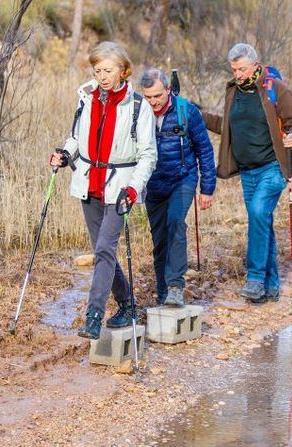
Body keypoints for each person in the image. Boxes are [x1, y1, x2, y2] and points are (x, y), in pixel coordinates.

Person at [50, 41, 156, 340]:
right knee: (102, 252)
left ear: (124, 71)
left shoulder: (138, 106)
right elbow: (75, 138)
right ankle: (127, 304)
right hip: (89, 183)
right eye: (97, 71)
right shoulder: (86, 100)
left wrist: (134, 189)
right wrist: (65, 154)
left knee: (104, 251)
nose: (102, 76)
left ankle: (94, 316)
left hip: (121, 189)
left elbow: (148, 155)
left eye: (108, 70)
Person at [202, 43, 292, 303]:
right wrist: (197, 114)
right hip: (247, 172)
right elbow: (225, 126)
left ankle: (255, 278)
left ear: (256, 65)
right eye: (234, 69)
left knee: (259, 213)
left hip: (272, 167)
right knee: (262, 222)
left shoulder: (275, 89)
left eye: (242, 69)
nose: (237, 74)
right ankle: (270, 286)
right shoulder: (233, 92)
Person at [134, 67, 216, 307]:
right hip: (152, 183)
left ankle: (176, 287)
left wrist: (207, 188)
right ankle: (162, 291)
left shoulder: (186, 111)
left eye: (157, 96)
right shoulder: (138, 113)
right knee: (159, 238)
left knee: (176, 222)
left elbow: (205, 150)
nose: (153, 102)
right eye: (148, 97)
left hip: (183, 178)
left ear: (168, 89)